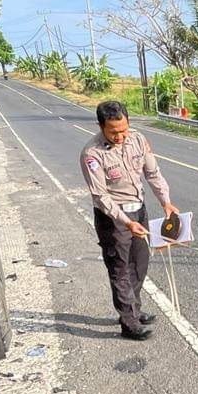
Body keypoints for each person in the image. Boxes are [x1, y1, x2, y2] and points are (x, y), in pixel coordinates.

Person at [80, 100, 179, 340]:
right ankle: (129, 322)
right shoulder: (92, 154)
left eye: (123, 129)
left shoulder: (138, 139)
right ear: (101, 126)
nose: (120, 136)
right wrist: (126, 222)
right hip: (114, 218)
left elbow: (153, 173)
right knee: (120, 268)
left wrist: (166, 201)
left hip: (139, 211)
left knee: (140, 262)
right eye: (114, 131)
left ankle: (133, 308)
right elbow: (100, 196)